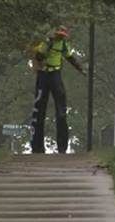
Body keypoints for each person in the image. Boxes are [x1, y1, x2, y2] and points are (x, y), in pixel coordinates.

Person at [30, 26, 84, 154]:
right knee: (38, 110)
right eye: (58, 36)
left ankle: (62, 147)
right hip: (43, 75)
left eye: (62, 36)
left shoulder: (64, 44)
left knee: (61, 111)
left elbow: (69, 57)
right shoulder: (46, 42)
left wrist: (79, 68)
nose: (60, 38)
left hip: (55, 75)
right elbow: (37, 54)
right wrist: (46, 48)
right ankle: (37, 147)